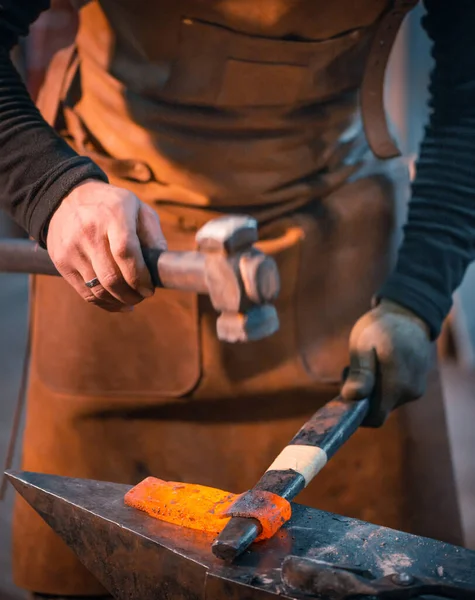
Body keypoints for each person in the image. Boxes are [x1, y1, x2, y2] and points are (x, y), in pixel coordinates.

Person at [0, 0, 472, 597]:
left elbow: (470, 90)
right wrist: (51, 187)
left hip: (342, 253)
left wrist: (419, 293)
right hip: (118, 233)